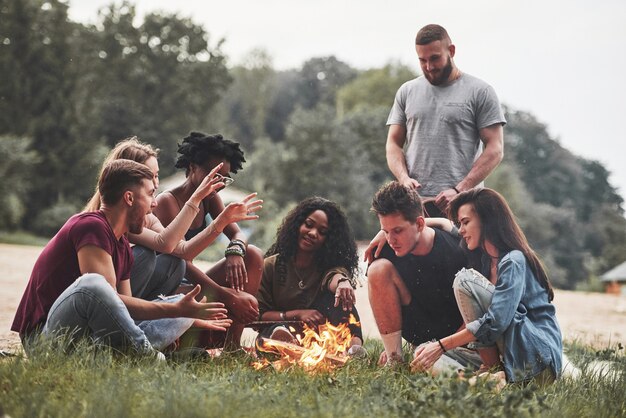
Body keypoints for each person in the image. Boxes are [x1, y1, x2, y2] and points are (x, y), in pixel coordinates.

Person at [12, 160, 231, 357]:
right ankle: (149, 358)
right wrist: (176, 312)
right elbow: (105, 298)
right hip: (45, 340)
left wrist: (187, 314)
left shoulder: (122, 245)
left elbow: (127, 311)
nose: (154, 204)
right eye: (151, 194)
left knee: (176, 303)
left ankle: (122, 355)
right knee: (94, 284)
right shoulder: (91, 226)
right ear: (129, 198)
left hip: (85, 339)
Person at [83, 137, 262, 303]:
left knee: (250, 255)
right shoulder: (110, 221)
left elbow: (178, 250)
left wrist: (232, 245)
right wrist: (222, 294)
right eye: (149, 176)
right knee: (155, 257)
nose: (155, 184)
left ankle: (229, 336)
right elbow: (179, 258)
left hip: (135, 289)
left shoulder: (149, 217)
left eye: (156, 175)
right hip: (138, 291)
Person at [412, 188, 563, 384]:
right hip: (509, 362)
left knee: (464, 280)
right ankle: (482, 382)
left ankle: (489, 371)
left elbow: (496, 321)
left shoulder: (513, 261)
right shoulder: (484, 262)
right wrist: (393, 231)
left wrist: (442, 345)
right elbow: (445, 225)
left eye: (465, 222)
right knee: (422, 352)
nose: (462, 230)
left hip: (538, 361)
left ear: (488, 220)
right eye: (460, 224)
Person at [154, 132, 264, 349]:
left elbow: (238, 234)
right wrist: (225, 293)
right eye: (214, 175)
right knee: (183, 267)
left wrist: (235, 251)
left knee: (253, 254)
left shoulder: (211, 198)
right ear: (193, 167)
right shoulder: (167, 201)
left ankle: (232, 346)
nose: (220, 183)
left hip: (193, 281)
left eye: (225, 177)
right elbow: (177, 261)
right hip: (168, 284)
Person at [386, 24, 506, 217]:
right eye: (422, 60)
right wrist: (403, 178)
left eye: (435, 58)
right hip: (415, 207)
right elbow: (393, 143)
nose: (429, 67)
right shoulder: (407, 91)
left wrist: (460, 190)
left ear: (451, 51)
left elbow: (495, 148)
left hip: (464, 207)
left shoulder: (480, 91)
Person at [366, 181, 482, 370]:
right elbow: (381, 295)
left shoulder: (455, 249)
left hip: (457, 339)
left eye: (397, 231)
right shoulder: (386, 247)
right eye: (385, 231)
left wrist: (442, 348)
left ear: (420, 223)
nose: (391, 239)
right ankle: (394, 358)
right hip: (420, 331)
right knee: (377, 269)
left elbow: (478, 311)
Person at [256, 197, 364, 354]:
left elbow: (334, 276)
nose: (313, 233)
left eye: (322, 232)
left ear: (328, 240)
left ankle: (354, 349)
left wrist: (342, 283)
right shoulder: (271, 265)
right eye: (308, 225)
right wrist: (297, 314)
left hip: (319, 336)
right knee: (274, 332)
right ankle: (288, 347)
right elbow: (259, 316)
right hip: (281, 329)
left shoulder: (328, 266)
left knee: (341, 300)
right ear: (297, 225)